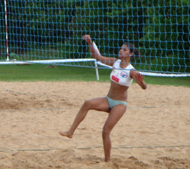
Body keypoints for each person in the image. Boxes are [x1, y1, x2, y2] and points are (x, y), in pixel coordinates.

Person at [59, 34, 147, 162]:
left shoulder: (131, 71)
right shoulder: (114, 62)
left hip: (119, 104)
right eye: (121, 49)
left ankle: (107, 161)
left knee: (105, 131)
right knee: (87, 103)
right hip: (108, 100)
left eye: (124, 50)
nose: (121, 51)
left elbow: (144, 87)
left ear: (130, 54)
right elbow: (97, 57)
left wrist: (142, 82)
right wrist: (89, 42)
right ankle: (70, 132)